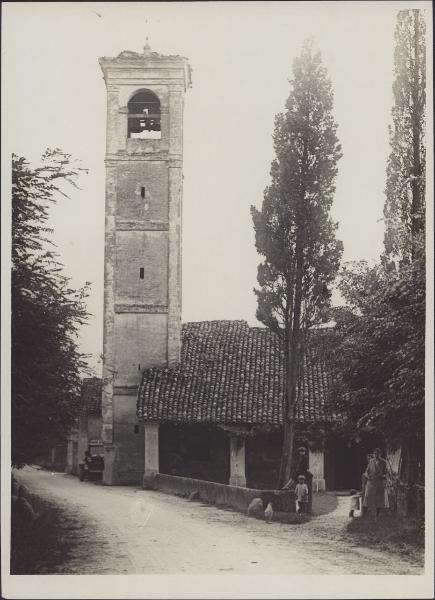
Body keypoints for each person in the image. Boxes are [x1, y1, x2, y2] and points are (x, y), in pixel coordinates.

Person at [362, 448, 388, 517]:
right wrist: (368, 477)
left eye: (377, 454)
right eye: (375, 454)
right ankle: (364, 513)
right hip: (371, 482)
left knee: (379, 497)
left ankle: (377, 513)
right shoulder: (371, 461)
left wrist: (382, 476)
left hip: (379, 482)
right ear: (373, 454)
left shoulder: (384, 462)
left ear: (380, 454)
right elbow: (366, 472)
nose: (376, 455)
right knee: (367, 496)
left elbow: (386, 473)